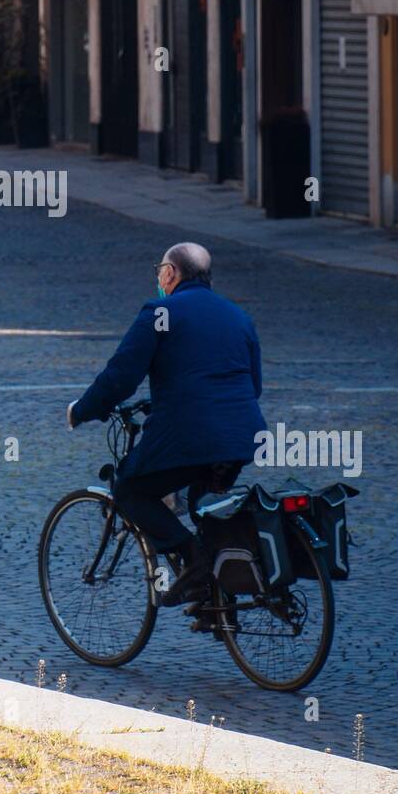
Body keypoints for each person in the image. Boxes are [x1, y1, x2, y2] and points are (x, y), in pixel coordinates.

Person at [67, 242, 266, 607]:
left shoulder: (160, 311)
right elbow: (253, 386)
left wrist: (82, 410)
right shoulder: (239, 316)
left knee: (129, 490)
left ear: (171, 273)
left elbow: (120, 377)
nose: (159, 277)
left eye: (160, 269)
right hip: (242, 436)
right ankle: (214, 603)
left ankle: (196, 562)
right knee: (203, 502)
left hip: (191, 434)